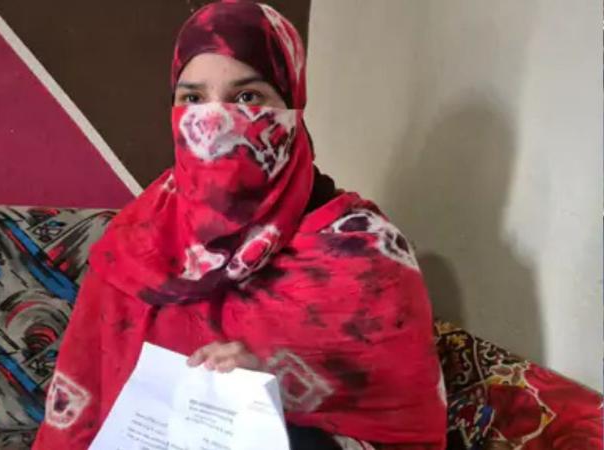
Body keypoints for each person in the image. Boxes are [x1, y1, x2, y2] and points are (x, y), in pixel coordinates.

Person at [32, 1, 446, 449]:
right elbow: (78, 412)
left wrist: (268, 397)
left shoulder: (364, 254)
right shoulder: (138, 239)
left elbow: (404, 432)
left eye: (248, 97)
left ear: (293, 105)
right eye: (192, 98)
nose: (215, 122)